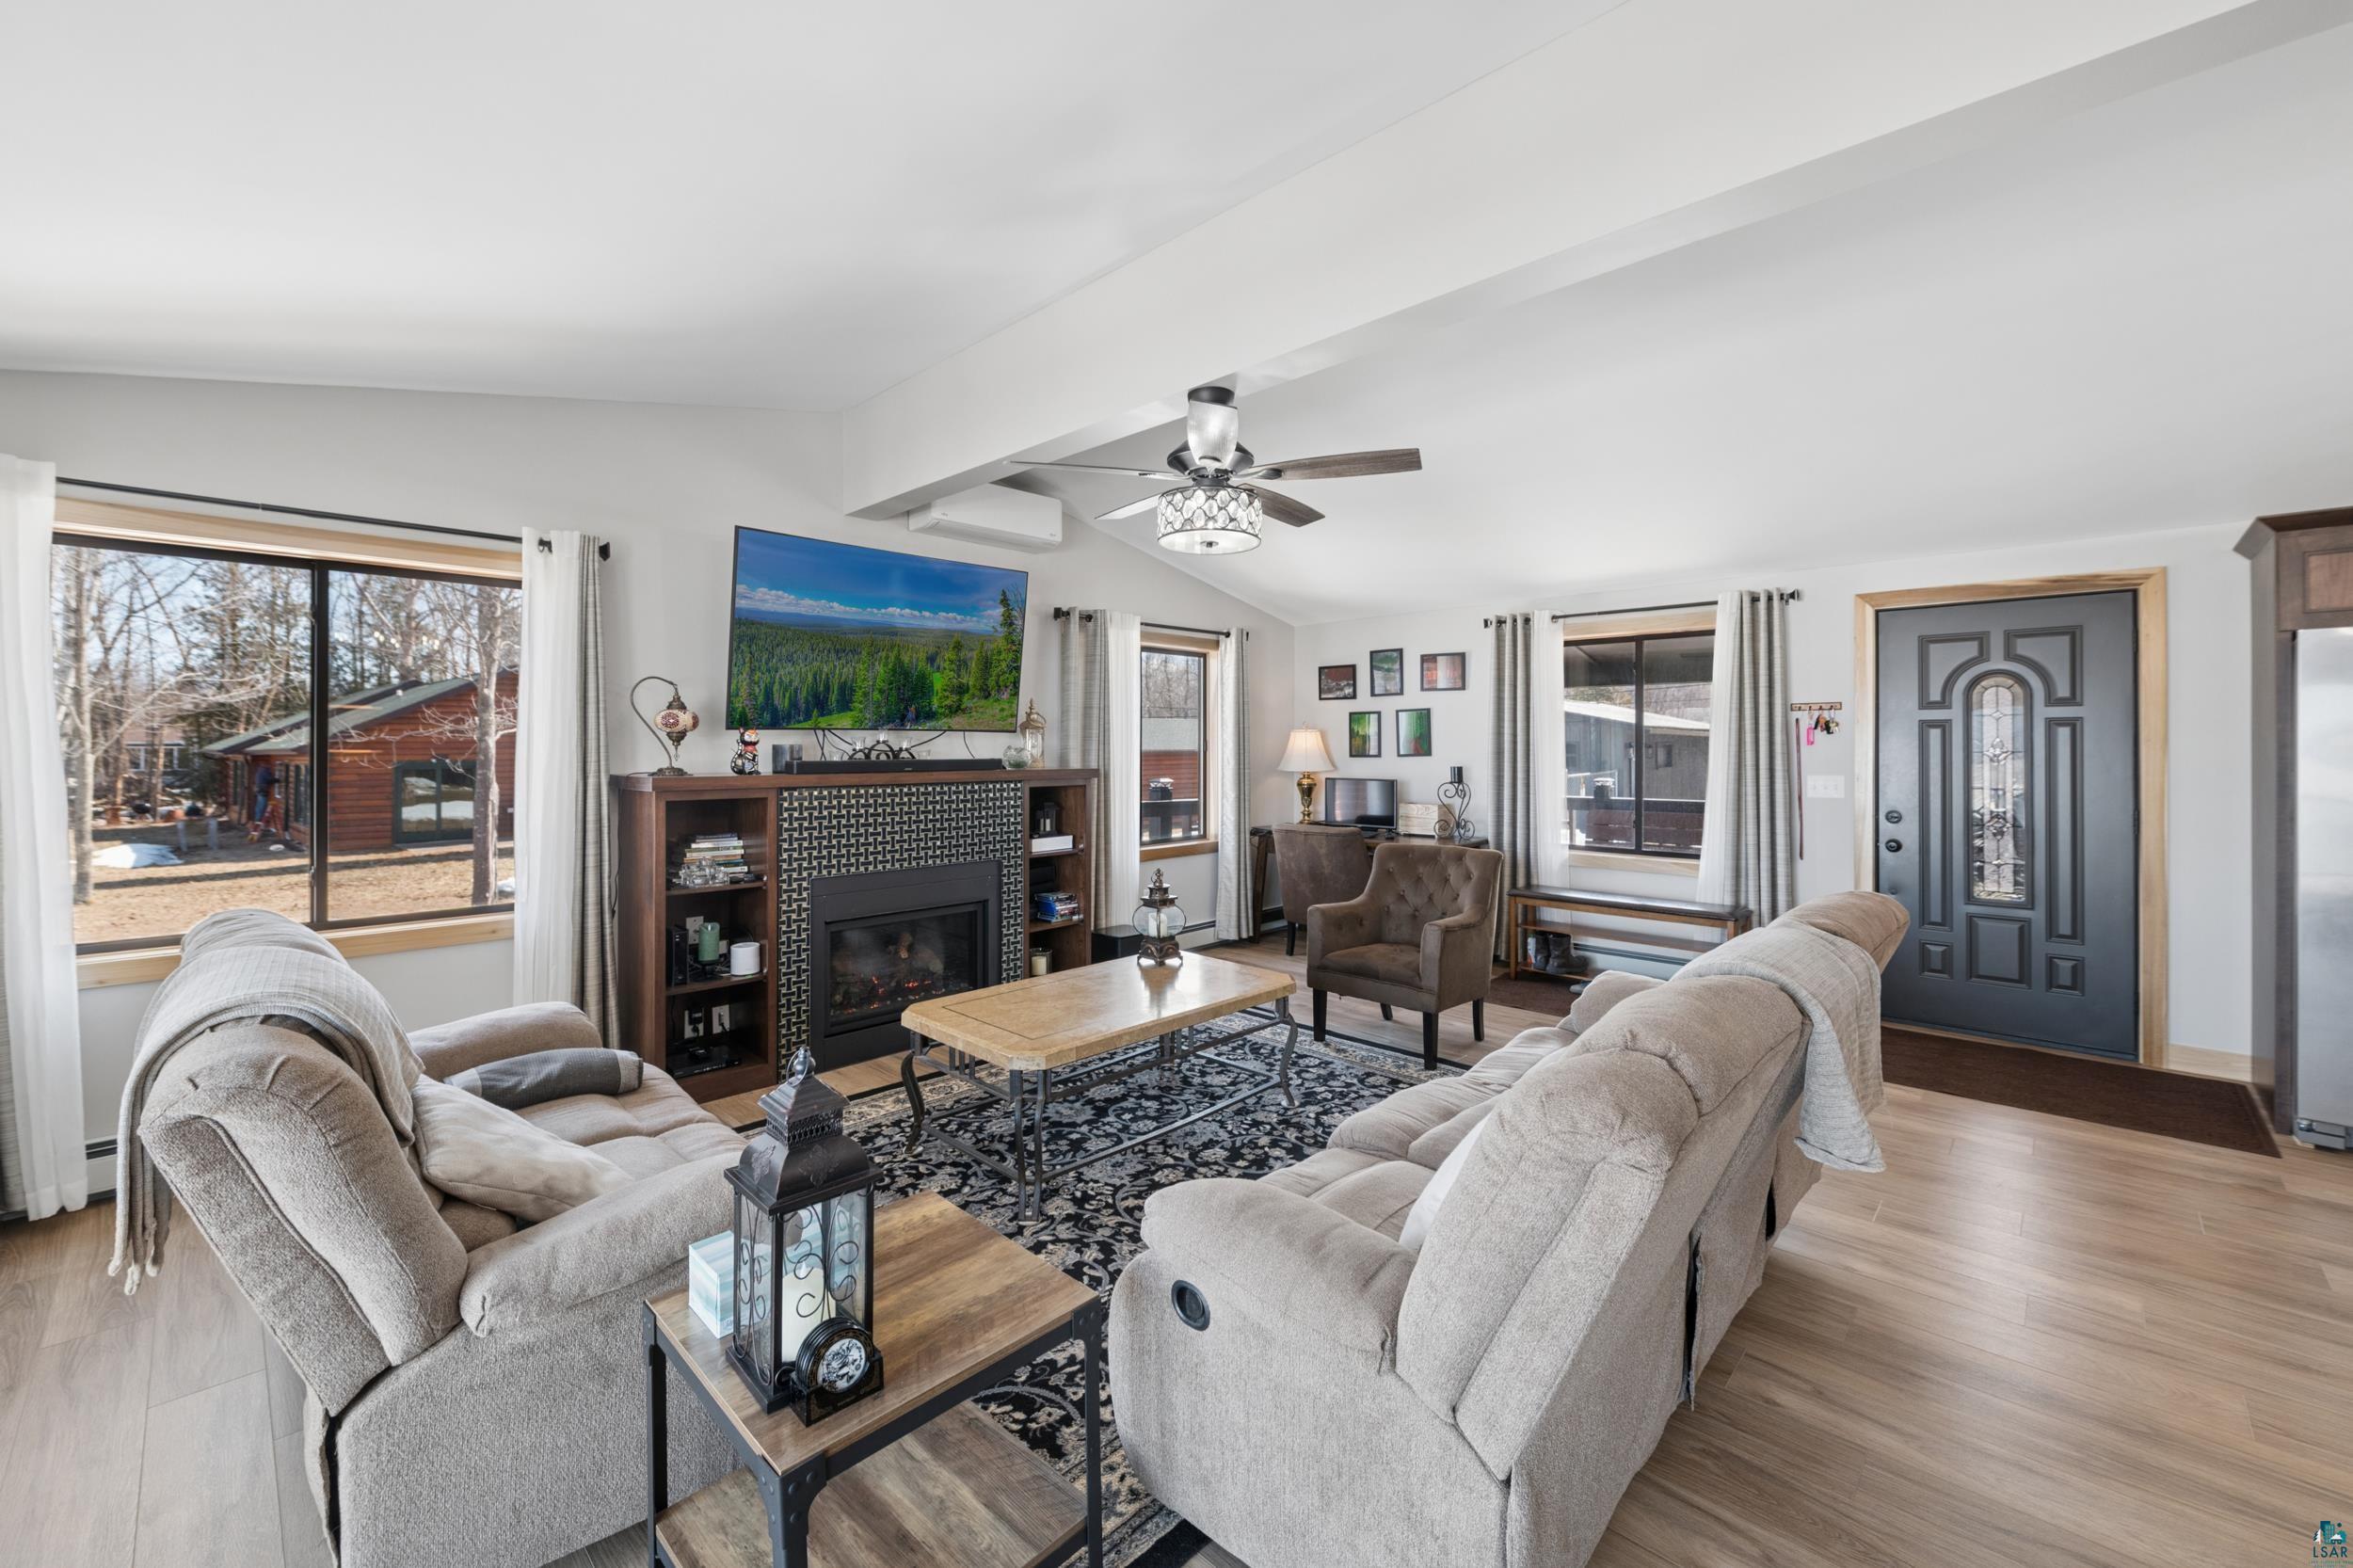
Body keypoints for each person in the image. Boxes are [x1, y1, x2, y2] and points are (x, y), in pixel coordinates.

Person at [248, 760, 277, 841]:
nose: (270, 767)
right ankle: (258, 820)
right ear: (266, 766)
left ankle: (257, 820)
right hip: (262, 792)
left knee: (259, 806)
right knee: (262, 807)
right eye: (269, 765)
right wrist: (278, 780)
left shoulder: (259, 771)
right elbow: (270, 779)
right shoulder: (264, 771)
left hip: (260, 791)